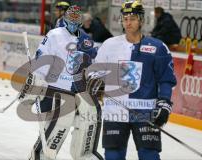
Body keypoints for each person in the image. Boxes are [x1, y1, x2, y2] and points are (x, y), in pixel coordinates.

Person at [93, 0, 177, 160]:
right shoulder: (109, 45)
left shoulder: (157, 47)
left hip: (146, 112)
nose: (128, 22)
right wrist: (96, 83)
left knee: (149, 156)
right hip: (115, 112)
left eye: (132, 18)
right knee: (113, 156)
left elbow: (166, 79)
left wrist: (164, 104)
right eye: (125, 18)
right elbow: (95, 72)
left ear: (142, 20)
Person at [20, 5, 103, 160]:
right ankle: (40, 157)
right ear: (65, 18)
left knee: (80, 127)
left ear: (80, 21)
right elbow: (41, 61)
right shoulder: (54, 35)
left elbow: (94, 63)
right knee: (54, 132)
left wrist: (95, 76)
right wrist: (35, 83)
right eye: (70, 18)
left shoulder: (86, 40)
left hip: (76, 92)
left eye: (75, 19)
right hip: (54, 91)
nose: (72, 21)